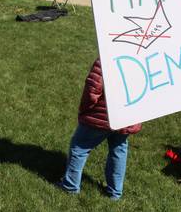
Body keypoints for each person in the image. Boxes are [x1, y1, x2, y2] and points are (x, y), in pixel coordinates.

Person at [57, 58, 142, 200]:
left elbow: (92, 90)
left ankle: (70, 186)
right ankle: (115, 192)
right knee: (119, 150)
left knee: (79, 147)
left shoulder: (106, 57)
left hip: (101, 117)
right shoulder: (142, 60)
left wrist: (84, 110)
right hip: (127, 116)